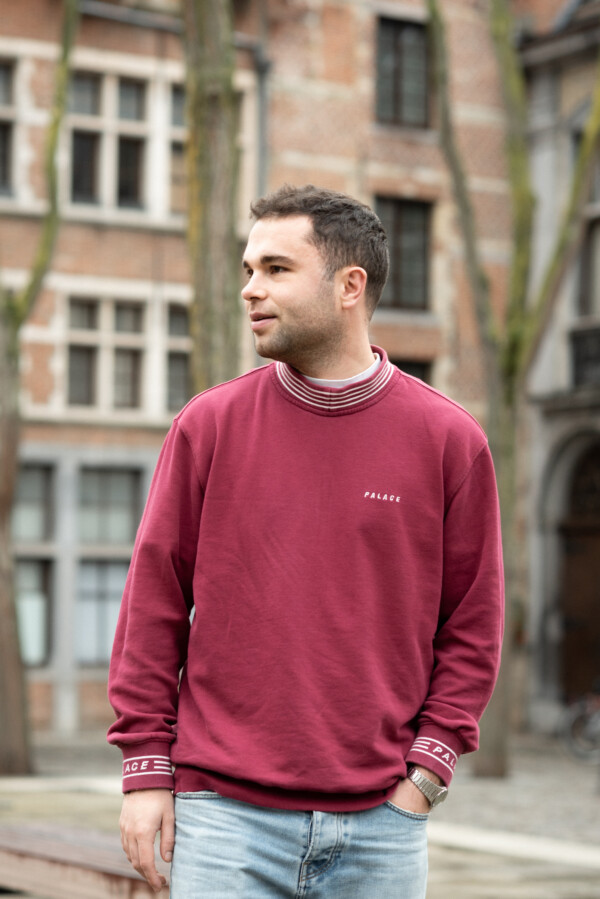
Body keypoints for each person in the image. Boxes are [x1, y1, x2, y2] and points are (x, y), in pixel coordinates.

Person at [108, 184, 504, 897]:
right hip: (224, 821)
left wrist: (425, 776)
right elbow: (152, 607)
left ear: (349, 286)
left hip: (382, 826)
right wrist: (145, 769)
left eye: (276, 269)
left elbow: (473, 625)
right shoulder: (208, 426)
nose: (250, 288)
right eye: (248, 268)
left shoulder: (450, 440)